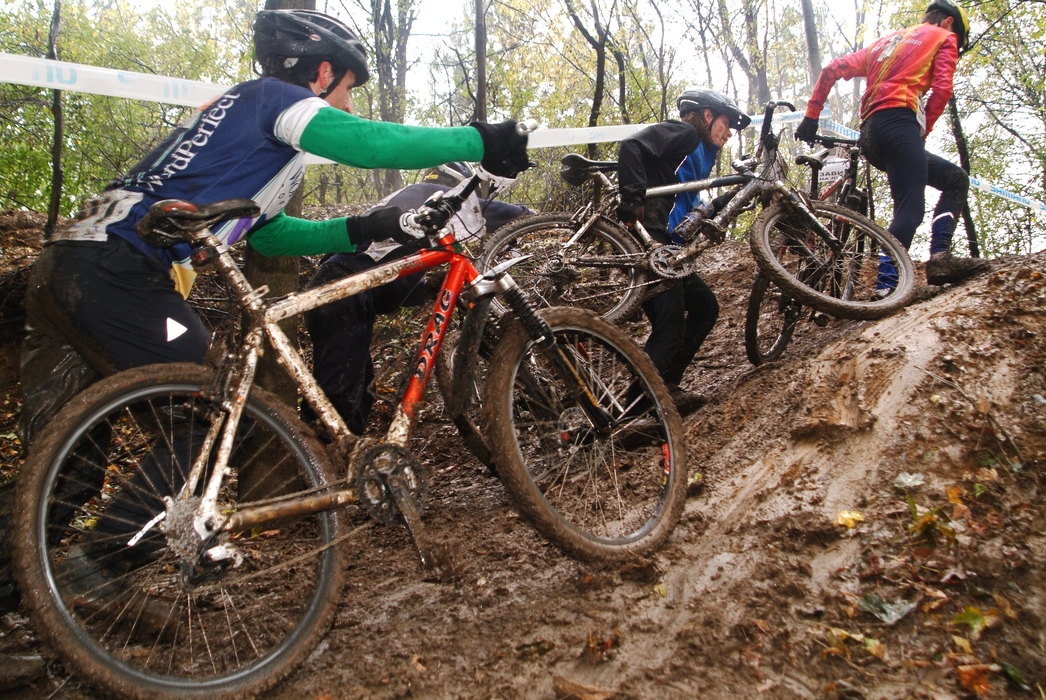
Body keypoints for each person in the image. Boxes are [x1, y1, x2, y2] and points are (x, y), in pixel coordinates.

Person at [9, 8, 528, 609]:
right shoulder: (271, 97)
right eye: (348, 91)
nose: (349, 107)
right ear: (324, 71)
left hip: (65, 269)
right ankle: (100, 572)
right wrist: (478, 140)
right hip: (119, 272)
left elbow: (270, 237)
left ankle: (20, 621)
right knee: (215, 410)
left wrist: (366, 224)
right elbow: (362, 142)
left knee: (62, 461)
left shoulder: (239, 137)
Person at [302, 162, 533, 434]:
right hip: (342, 290)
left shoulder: (413, 212)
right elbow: (488, 210)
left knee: (358, 393)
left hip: (342, 291)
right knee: (333, 404)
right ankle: (309, 462)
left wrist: (428, 287)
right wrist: (530, 215)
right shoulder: (429, 192)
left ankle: (335, 463)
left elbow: (391, 289)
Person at [793, 0, 988, 290]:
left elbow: (833, 69)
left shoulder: (884, 43)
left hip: (870, 134)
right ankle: (887, 285)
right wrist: (922, 132)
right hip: (899, 124)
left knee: (955, 179)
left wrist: (811, 115)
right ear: (948, 23)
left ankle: (939, 257)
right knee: (910, 207)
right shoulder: (944, 37)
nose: (955, 45)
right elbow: (943, 89)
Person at [615, 89, 750, 414]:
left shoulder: (702, 154)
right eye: (726, 122)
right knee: (670, 326)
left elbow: (688, 207)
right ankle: (630, 412)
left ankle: (666, 386)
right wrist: (633, 198)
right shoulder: (686, 133)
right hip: (649, 239)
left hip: (669, 247)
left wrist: (726, 201)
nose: (729, 131)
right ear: (707, 115)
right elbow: (631, 145)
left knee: (705, 308)